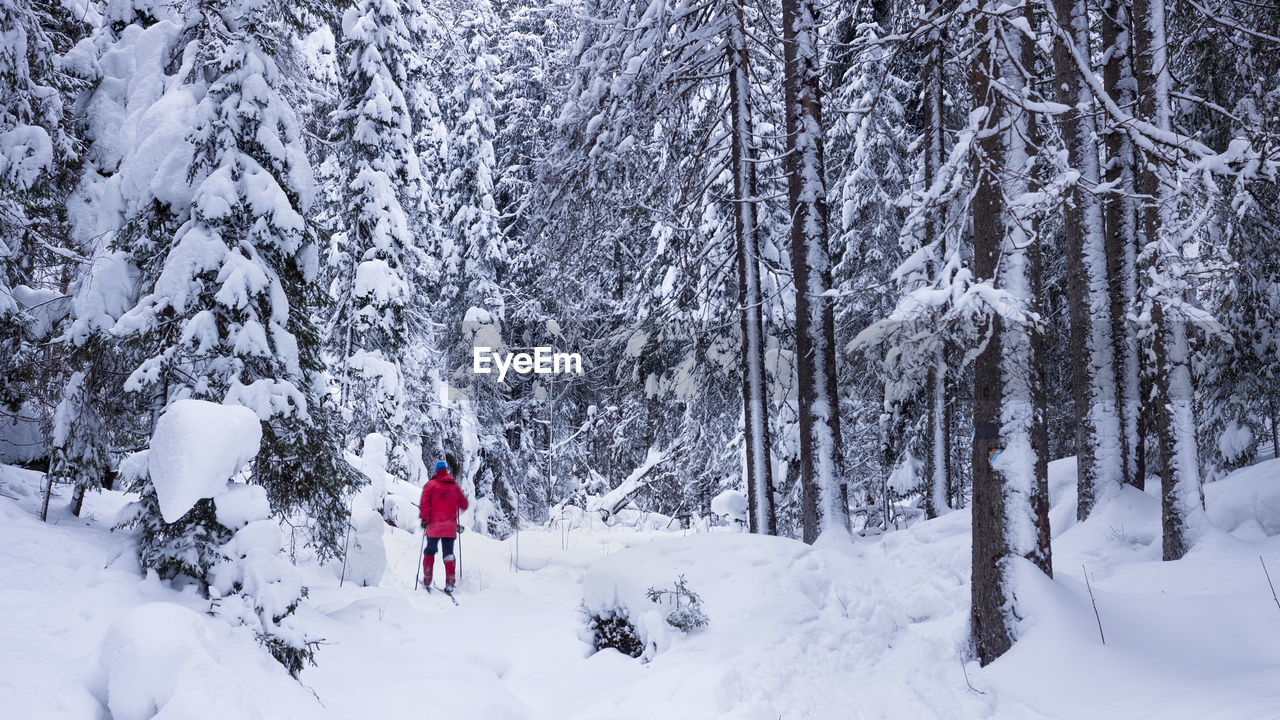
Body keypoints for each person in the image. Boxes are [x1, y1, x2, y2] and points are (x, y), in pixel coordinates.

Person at [419, 460, 468, 593]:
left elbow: (424, 504)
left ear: (436, 471)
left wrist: (424, 519)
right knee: (448, 554)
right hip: (449, 528)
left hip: (433, 527)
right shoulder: (454, 486)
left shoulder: (430, 485)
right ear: (446, 470)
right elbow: (464, 504)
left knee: (429, 551)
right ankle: (450, 583)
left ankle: (427, 580)